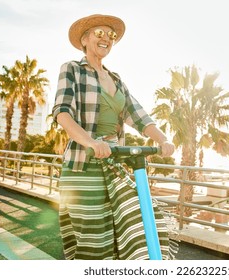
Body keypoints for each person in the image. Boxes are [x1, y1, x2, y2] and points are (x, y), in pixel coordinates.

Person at [52, 14, 176, 260]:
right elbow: (62, 113)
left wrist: (163, 140)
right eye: (100, 33)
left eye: (112, 35)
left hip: (114, 162)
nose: (106, 39)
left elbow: (138, 115)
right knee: (94, 240)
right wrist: (91, 142)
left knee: (126, 231)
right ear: (85, 39)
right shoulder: (73, 69)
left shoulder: (117, 79)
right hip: (83, 163)